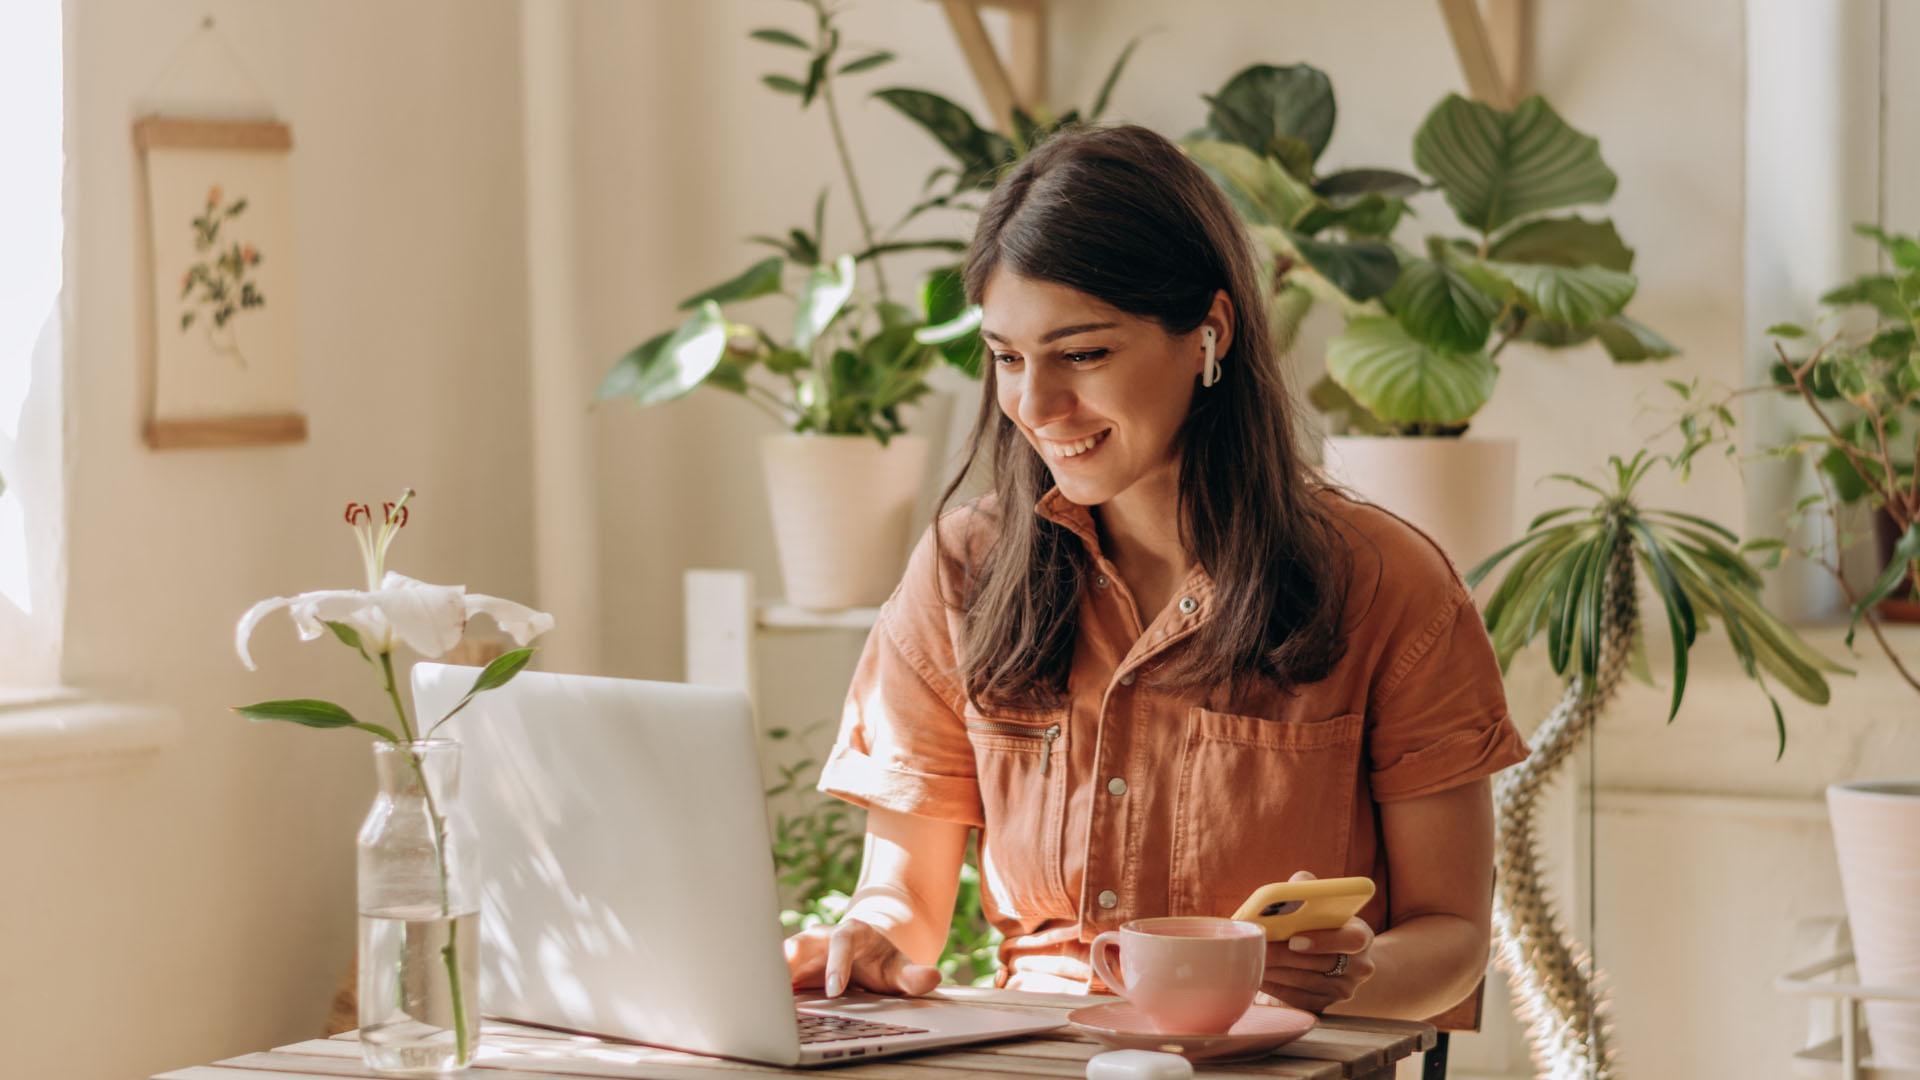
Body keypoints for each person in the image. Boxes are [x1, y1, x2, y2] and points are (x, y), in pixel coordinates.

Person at [782, 123, 1529, 1021]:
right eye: (1008, 357)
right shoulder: (961, 570)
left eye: (1084, 354)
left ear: (1209, 332)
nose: (1035, 405)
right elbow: (904, 903)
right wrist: (867, 937)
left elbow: (1453, 935)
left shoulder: (1387, 582)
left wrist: (1343, 976)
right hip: (1036, 1056)